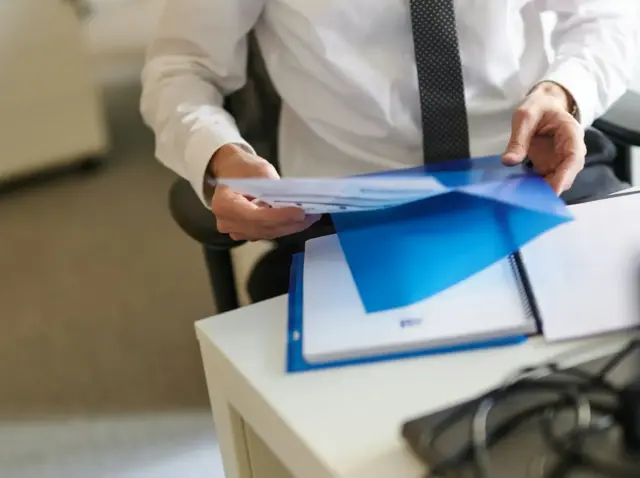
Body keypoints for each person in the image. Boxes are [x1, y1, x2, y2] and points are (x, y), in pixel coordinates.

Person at [141, 0, 638, 300]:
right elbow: (181, 69)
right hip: (349, 205)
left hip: (536, 169)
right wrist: (219, 157)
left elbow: (608, 17)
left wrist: (564, 92)